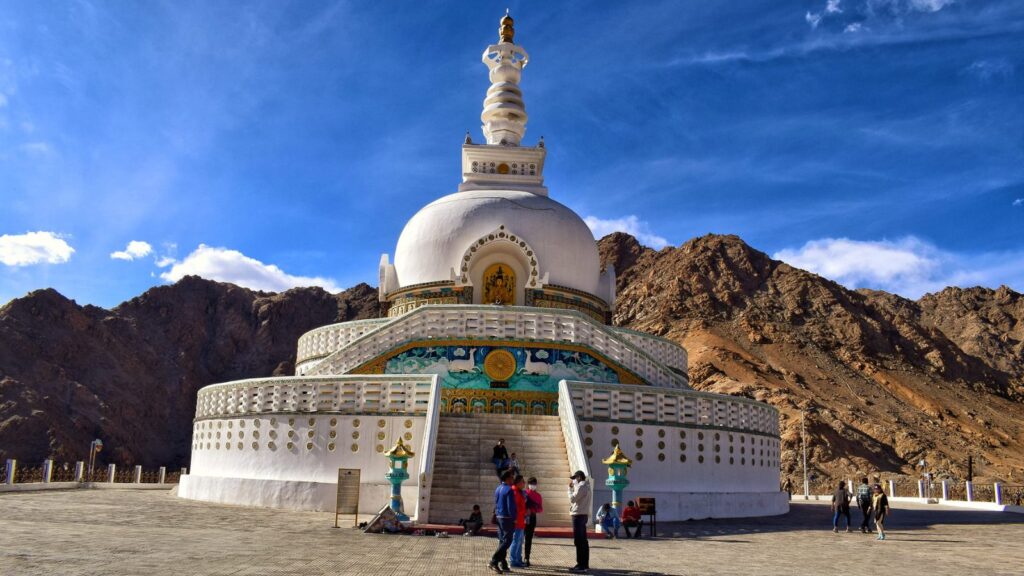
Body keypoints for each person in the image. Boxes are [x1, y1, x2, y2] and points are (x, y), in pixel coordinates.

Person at [489, 469, 517, 573]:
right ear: (507, 478)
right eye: (511, 477)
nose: (513, 479)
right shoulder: (509, 490)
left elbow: (496, 503)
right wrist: (514, 518)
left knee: (502, 540)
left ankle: (503, 563)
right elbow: (511, 507)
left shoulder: (498, 488)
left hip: (499, 516)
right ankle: (494, 561)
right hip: (507, 518)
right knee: (507, 541)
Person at [568, 470, 592, 574]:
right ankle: (584, 563)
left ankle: (580, 565)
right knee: (583, 540)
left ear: (578, 477)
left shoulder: (581, 486)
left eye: (575, 478)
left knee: (579, 541)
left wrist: (569, 490)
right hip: (583, 514)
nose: (574, 480)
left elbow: (573, 499)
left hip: (578, 515)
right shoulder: (586, 486)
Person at [524, 477, 544, 567]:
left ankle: (527, 557)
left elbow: (540, 509)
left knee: (528, 538)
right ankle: (516, 557)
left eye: (535, 484)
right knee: (519, 538)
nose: (533, 485)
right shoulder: (524, 493)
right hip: (523, 517)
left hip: (532, 517)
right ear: (528, 484)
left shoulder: (538, 496)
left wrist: (535, 508)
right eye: (532, 483)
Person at [510, 475, 528, 568]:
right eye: (522, 481)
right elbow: (515, 508)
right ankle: (513, 561)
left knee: (520, 541)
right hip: (517, 521)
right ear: (517, 483)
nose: (524, 483)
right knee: (516, 541)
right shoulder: (515, 492)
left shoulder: (519, 492)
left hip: (521, 520)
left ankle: (518, 559)